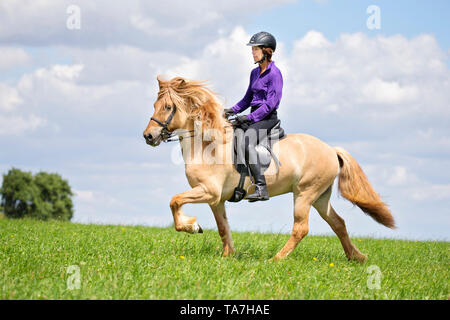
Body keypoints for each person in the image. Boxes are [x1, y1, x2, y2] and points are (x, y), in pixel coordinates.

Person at [224, 31, 283, 202]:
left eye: (256, 49)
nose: (252, 52)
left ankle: (261, 188)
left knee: (247, 141)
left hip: (267, 119)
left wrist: (248, 118)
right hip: (253, 117)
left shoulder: (275, 74)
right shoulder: (254, 73)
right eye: (252, 49)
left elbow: (270, 104)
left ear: (267, 51)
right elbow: (247, 99)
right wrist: (231, 111)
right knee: (232, 136)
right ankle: (239, 183)